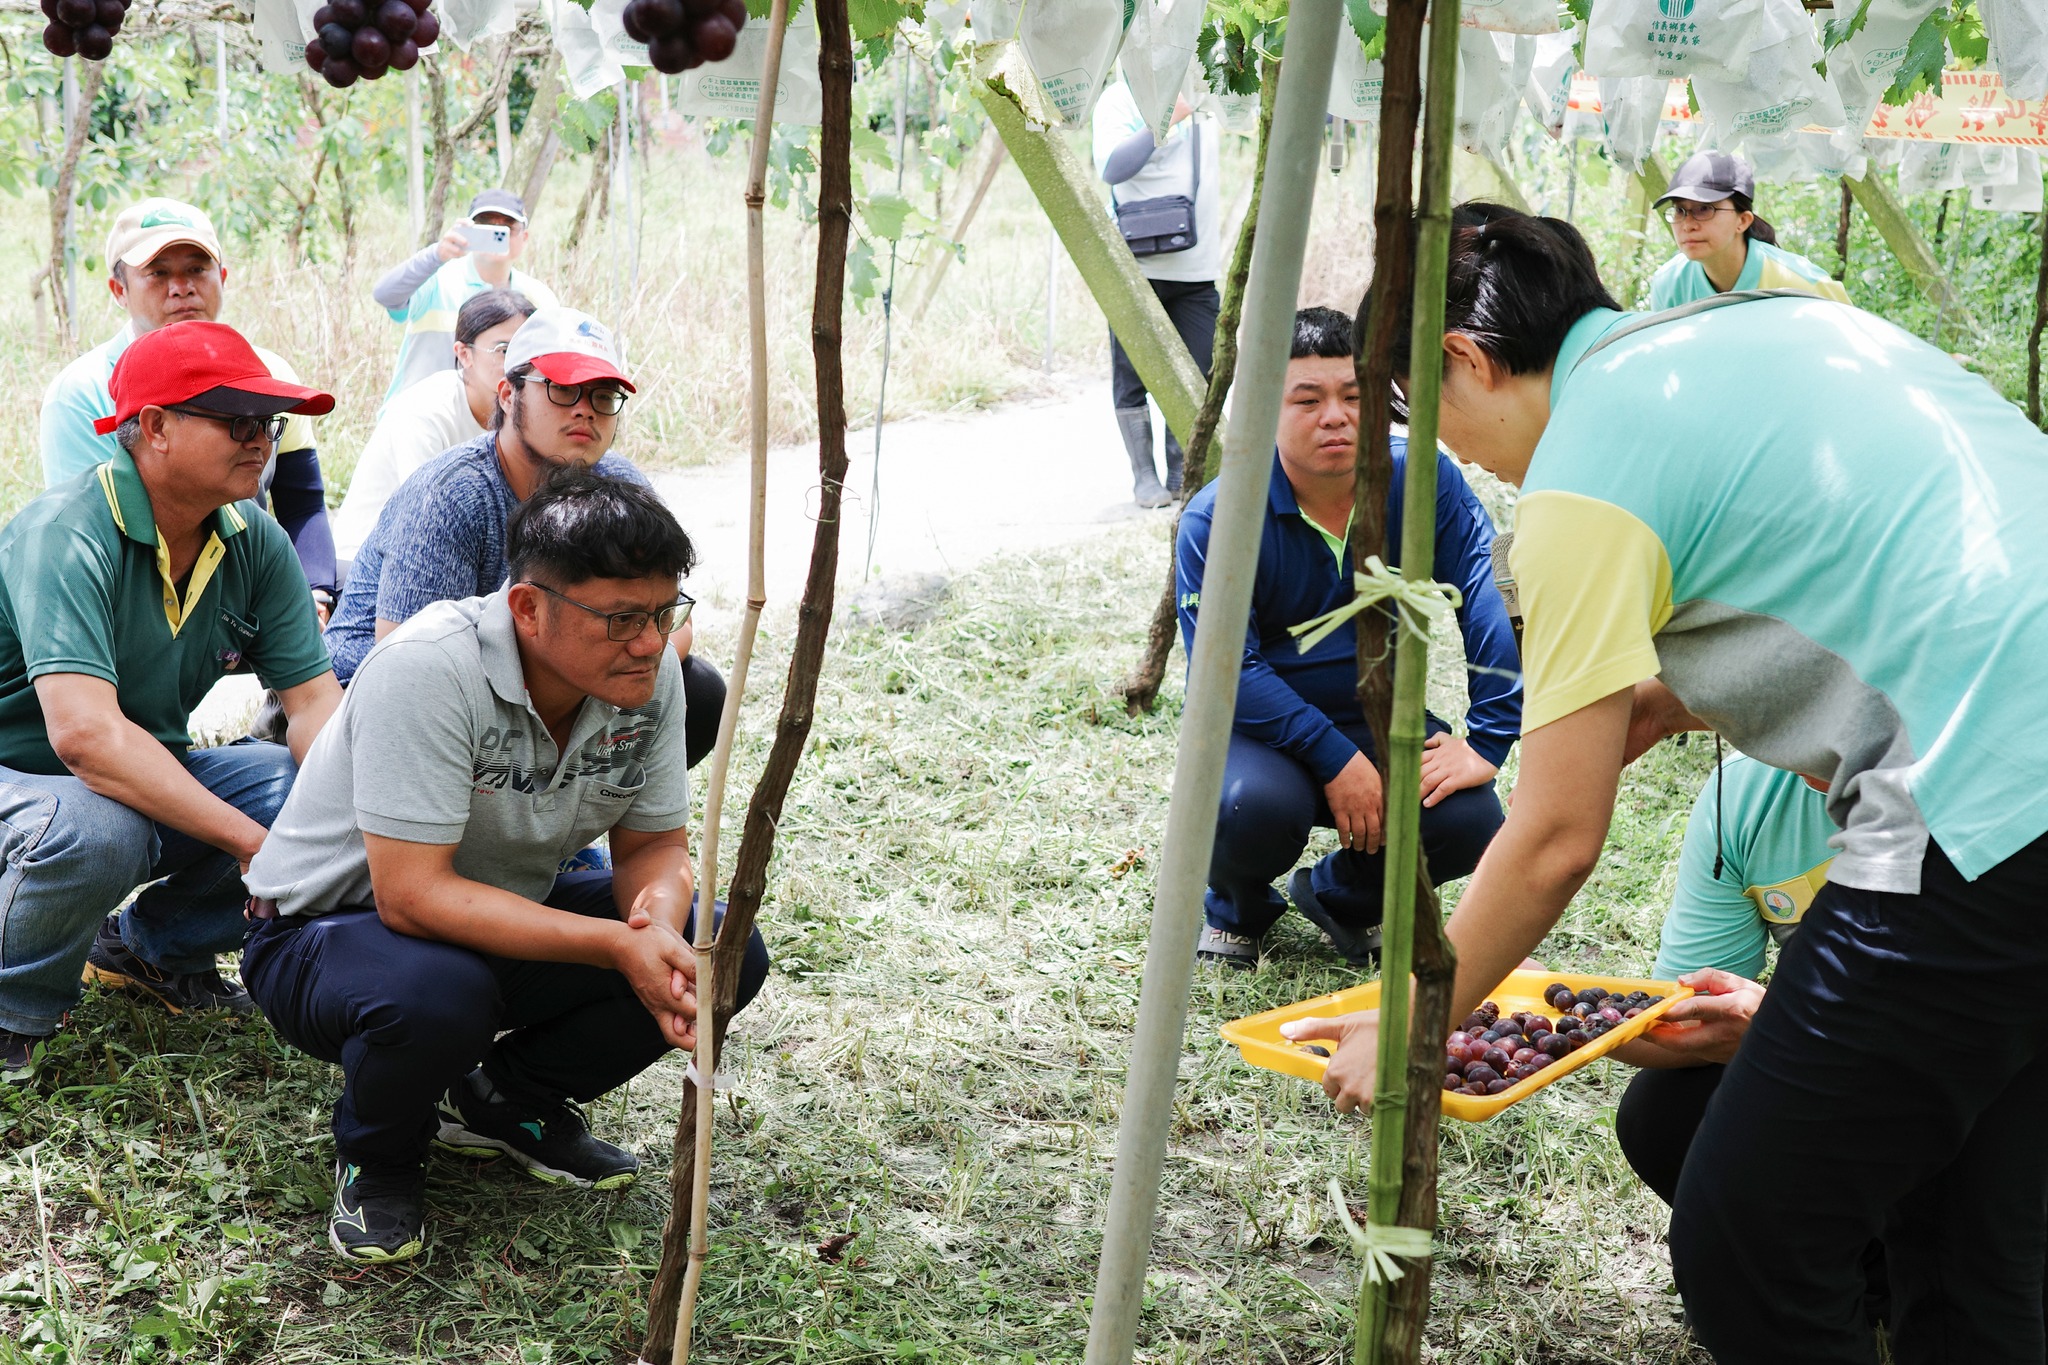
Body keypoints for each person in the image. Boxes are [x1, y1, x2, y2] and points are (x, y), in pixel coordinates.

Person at [1286, 203, 2048, 1364]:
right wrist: (1642, 709)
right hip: (2016, 767)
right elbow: (1849, 567)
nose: (1450, 454)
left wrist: (1413, 1024)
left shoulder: (1582, 474)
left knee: (1749, 1235)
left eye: (1414, 409)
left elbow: (1553, 838)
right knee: (1964, 1225)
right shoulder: (1754, 329)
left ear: (1462, 361)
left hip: (1977, 801)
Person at [242, 467, 770, 1264]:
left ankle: (501, 1097)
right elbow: (413, 899)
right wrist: (613, 947)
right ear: (528, 607)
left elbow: (652, 847)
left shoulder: (647, 674)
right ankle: (378, 1155)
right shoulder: (429, 667)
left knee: (720, 948)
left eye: (666, 612)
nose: (653, 642)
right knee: (439, 991)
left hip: (496, 908)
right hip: (326, 931)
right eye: (623, 616)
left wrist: (654, 925)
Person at [0, 321, 342, 1083]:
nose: (263, 442)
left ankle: (151, 949)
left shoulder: (253, 540)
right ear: (153, 427)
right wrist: (255, 844)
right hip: (22, 778)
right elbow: (85, 739)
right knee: (99, 827)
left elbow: (317, 708)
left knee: (304, 793)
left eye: (271, 424)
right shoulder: (66, 531)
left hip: (131, 774)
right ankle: (10, 1008)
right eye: (239, 420)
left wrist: (350, 815)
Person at [1178, 306, 1519, 970]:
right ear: (1260, 411)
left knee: (1469, 818)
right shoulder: (1220, 517)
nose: (1334, 415)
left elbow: (1487, 592)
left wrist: (1491, 735)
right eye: (1307, 400)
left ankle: (1343, 896)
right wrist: (1333, 757)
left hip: (1379, 716)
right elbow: (1226, 673)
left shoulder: (1423, 480)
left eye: (1353, 396)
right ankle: (1237, 907)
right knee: (1250, 807)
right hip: (1262, 733)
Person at [325, 306, 725, 768]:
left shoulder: (618, 484)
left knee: (698, 691)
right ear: (508, 395)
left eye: (602, 395)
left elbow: (673, 627)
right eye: (562, 388)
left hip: (546, 693)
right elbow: (406, 668)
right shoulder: (453, 494)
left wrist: (588, 678)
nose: (584, 410)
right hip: (368, 709)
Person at [39, 198, 339, 606]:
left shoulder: (274, 378)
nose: (181, 287)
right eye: (158, 273)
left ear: (223, 277)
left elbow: (301, 501)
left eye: (197, 269)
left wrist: (314, 595)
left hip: (255, 588)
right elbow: (86, 540)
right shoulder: (80, 395)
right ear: (119, 291)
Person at [331, 289, 536, 566]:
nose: (516, 363)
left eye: (527, 351)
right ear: (464, 354)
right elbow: (428, 519)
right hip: (369, 563)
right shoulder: (425, 411)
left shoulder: (532, 413)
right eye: (503, 350)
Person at [1092, 75, 1221, 508]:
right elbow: (1111, 167)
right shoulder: (1119, 98)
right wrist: (1163, 120)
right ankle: (1143, 477)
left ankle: (1182, 471)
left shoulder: (1208, 88)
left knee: (1201, 374)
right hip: (1135, 266)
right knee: (1132, 375)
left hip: (1197, 270)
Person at [372, 189, 559, 411]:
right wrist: (437, 254)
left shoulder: (538, 296)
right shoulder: (437, 279)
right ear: (468, 231)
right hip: (418, 415)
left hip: (492, 426)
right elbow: (384, 294)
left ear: (524, 237)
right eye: (486, 226)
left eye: (507, 228)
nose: (497, 234)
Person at [1648, 151, 1849, 310]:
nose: (1687, 224)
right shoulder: (1668, 285)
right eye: (1679, 211)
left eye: (1704, 209)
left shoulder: (1802, 285)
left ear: (1742, 220)